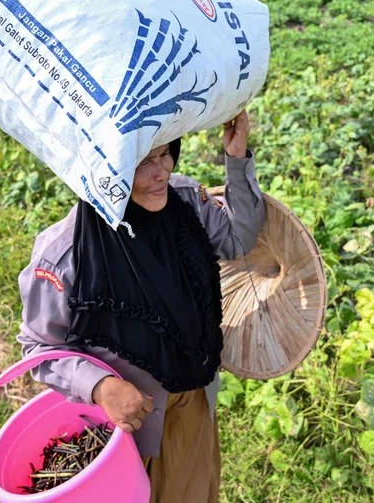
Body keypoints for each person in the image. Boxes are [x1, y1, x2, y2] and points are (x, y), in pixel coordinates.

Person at [18, 110, 264, 503]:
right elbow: (40, 349)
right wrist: (101, 387)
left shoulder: (184, 203)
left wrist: (236, 160)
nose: (161, 172)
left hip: (192, 401)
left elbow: (237, 238)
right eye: (144, 163)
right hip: (129, 425)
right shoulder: (66, 255)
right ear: (103, 171)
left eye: (166, 154)